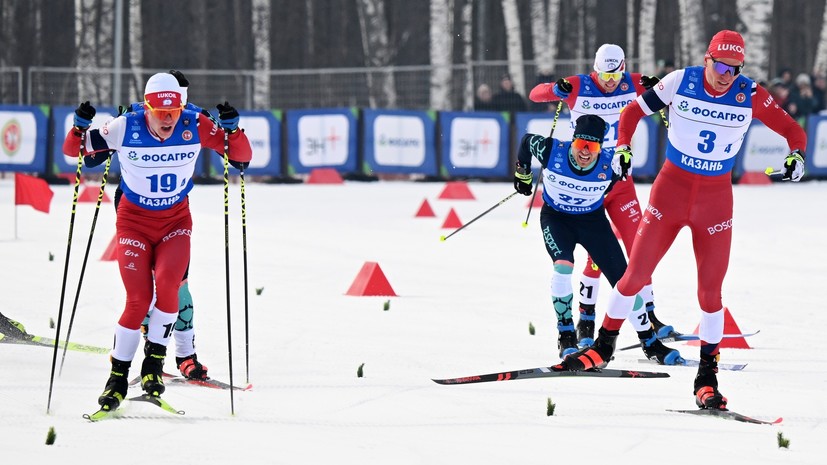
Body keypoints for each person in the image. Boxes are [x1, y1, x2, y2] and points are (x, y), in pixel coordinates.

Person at [559, 30, 807, 410]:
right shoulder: (681, 81)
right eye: (720, 65)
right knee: (635, 274)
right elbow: (631, 112)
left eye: (734, 68)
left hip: (715, 202)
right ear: (707, 59)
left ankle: (707, 377)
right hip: (670, 192)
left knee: (710, 294)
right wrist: (623, 146)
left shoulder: (750, 93)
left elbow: (793, 130)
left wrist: (797, 156)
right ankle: (603, 347)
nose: (726, 74)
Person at [62, 72, 252, 412]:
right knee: (139, 299)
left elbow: (241, 158)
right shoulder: (126, 124)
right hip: (134, 222)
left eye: (174, 109)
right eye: (160, 110)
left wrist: (233, 131)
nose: (168, 118)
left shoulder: (195, 121)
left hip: (175, 222)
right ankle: (117, 377)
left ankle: (156, 363)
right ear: (147, 105)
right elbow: (76, 151)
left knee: (171, 289)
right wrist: (79, 128)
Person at [528, 44, 680, 364]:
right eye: (605, 75)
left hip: (619, 181)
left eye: (617, 74)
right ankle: (585, 319)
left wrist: (659, 84)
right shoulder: (581, 85)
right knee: (594, 252)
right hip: (586, 180)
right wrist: (556, 88)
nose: (611, 81)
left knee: (639, 246)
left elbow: (670, 90)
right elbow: (536, 95)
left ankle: (648, 317)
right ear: (594, 69)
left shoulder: (633, 82)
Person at [85, 70, 217, 381]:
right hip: (133, 209)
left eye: (183, 98)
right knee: (141, 289)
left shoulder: (194, 118)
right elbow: (91, 158)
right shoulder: (137, 114)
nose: (180, 106)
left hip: (172, 212)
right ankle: (148, 340)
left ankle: (185, 354)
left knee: (177, 283)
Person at [512, 114, 673, 362]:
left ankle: (650, 342)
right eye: (580, 145)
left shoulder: (611, 163)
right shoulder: (551, 149)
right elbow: (525, 142)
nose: (585, 152)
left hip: (592, 223)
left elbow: (619, 173)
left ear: (601, 147)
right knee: (563, 266)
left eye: (593, 146)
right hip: (557, 220)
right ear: (573, 141)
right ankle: (566, 336)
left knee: (625, 282)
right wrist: (522, 172)